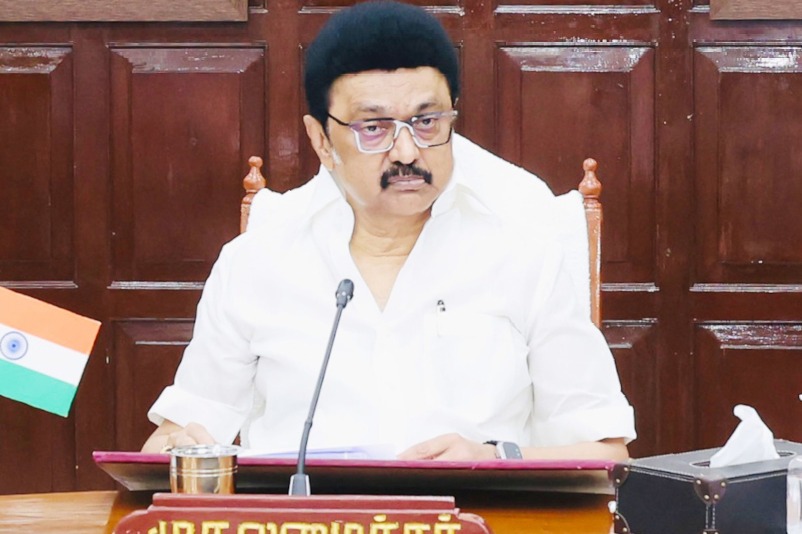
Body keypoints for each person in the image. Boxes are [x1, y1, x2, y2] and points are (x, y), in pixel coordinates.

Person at [142, 0, 636, 461]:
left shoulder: (524, 256)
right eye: (373, 128)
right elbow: (175, 437)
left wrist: (494, 460)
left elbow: (607, 454)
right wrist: (175, 447)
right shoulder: (255, 263)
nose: (406, 152)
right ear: (321, 140)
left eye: (427, 121)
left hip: (476, 512)